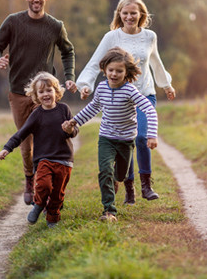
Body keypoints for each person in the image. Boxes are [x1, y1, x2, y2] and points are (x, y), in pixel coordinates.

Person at [75, 0, 175, 205]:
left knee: (141, 137)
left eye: (133, 13)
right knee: (125, 140)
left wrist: (166, 85)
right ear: (119, 14)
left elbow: (156, 62)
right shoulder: (112, 37)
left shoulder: (150, 36)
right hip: (121, 96)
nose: (130, 16)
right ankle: (129, 188)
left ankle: (146, 185)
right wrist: (85, 85)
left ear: (141, 15)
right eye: (126, 13)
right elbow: (96, 62)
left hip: (145, 93)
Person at [0, 0, 78, 205]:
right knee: (26, 142)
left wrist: (69, 77)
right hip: (19, 92)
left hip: (45, 94)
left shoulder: (55, 26)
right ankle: (30, 179)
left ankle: (45, 179)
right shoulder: (12, 22)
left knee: (49, 138)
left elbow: (68, 52)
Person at [63, 47, 158, 222]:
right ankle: (109, 211)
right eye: (111, 70)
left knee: (120, 175)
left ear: (126, 72)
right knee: (105, 170)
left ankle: (116, 182)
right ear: (104, 69)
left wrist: (151, 135)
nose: (114, 74)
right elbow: (93, 108)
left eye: (119, 71)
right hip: (106, 137)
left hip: (126, 139)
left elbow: (149, 110)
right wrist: (74, 121)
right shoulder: (101, 87)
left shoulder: (130, 90)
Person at [0, 72, 79, 228]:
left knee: (58, 194)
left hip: (64, 160)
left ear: (56, 91)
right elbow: (21, 133)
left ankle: (52, 219)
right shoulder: (37, 115)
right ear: (35, 95)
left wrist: (70, 130)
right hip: (44, 159)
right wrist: (7, 148)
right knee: (43, 185)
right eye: (41, 92)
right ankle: (39, 205)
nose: (46, 94)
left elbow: (75, 131)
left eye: (49, 90)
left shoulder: (64, 109)